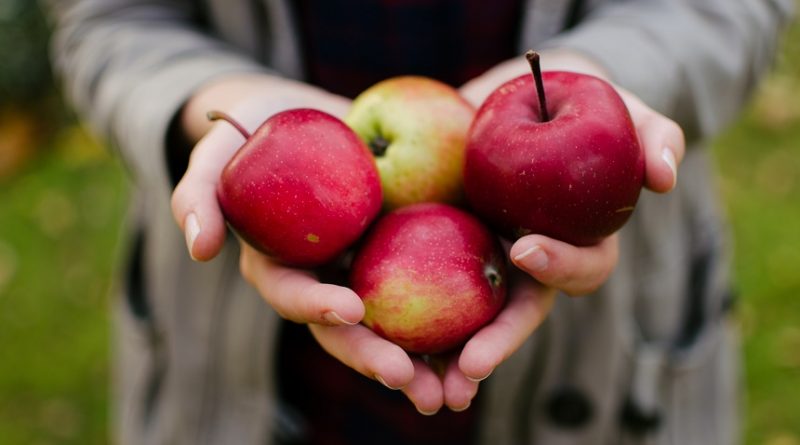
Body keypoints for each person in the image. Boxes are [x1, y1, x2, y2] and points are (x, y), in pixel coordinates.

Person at [45, 0, 793, 444]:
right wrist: (206, 96)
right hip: (240, 365)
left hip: (607, 356)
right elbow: (106, 17)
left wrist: (598, 67)